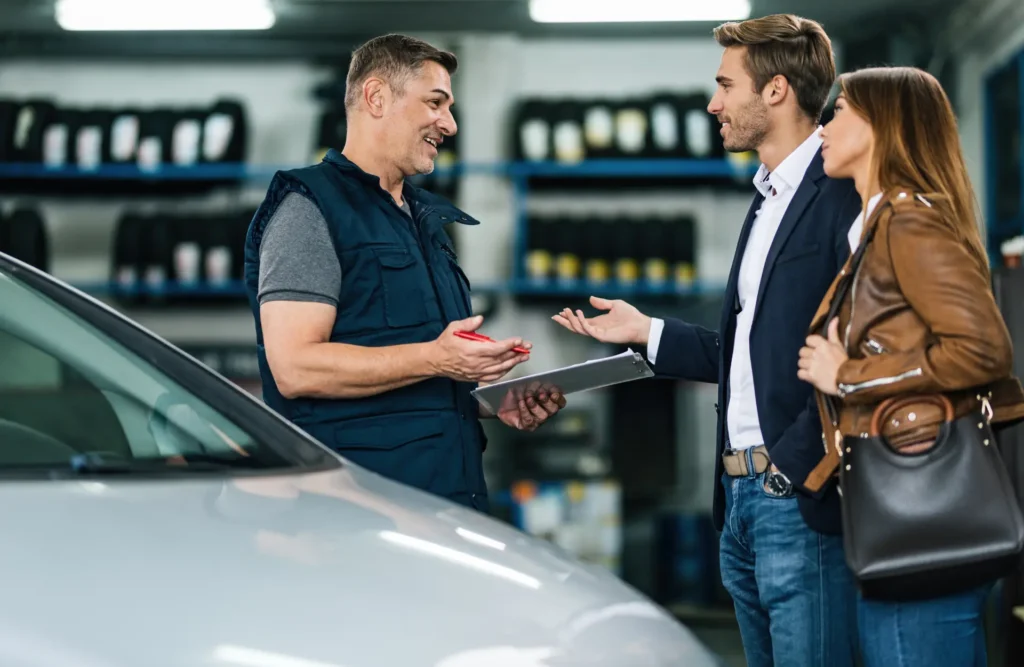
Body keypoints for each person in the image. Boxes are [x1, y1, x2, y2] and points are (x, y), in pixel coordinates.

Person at [553, 14, 861, 667]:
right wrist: (647, 332)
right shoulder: (765, 197)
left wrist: (796, 465)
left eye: (726, 85)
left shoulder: (840, 195)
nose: (713, 103)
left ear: (776, 91)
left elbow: (858, 342)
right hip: (740, 501)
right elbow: (754, 355)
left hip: (795, 499)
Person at [242, 34, 565, 514]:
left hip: (444, 504)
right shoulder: (309, 211)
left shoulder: (423, 221)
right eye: (435, 103)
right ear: (376, 97)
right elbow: (294, 368)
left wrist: (486, 401)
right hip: (356, 517)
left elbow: (414, 371)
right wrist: (437, 359)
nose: (449, 124)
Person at [796, 65, 1024, 667]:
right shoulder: (878, 225)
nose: (823, 127)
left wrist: (846, 376)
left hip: (923, 520)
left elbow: (982, 351)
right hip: (904, 515)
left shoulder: (909, 220)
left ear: (880, 125)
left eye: (838, 112)